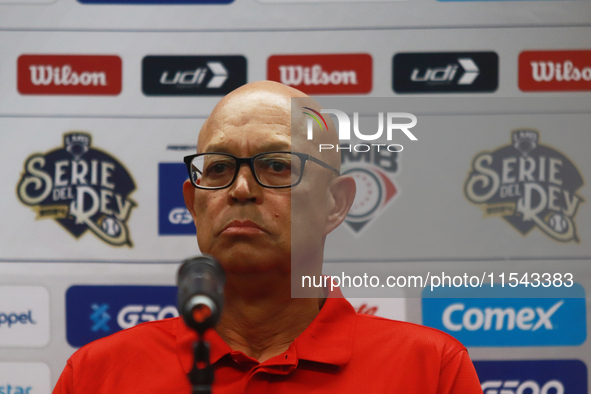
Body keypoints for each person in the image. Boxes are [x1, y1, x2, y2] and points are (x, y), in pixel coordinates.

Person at [53, 81, 483, 393]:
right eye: (219, 168)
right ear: (193, 202)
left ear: (336, 203)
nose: (241, 189)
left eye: (277, 165)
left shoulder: (431, 369)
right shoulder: (97, 374)